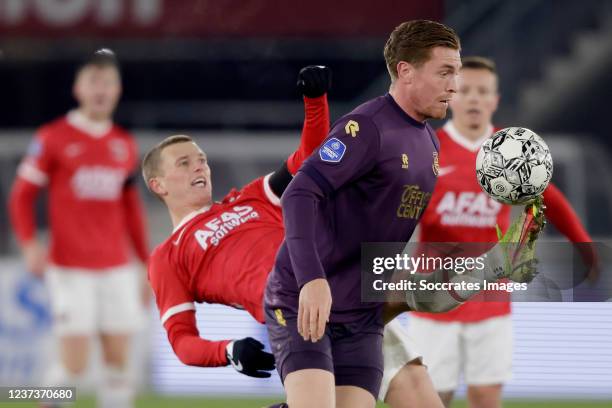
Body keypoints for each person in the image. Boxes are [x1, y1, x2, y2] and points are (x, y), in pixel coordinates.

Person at [410, 56, 596, 408]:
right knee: (434, 397)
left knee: (486, 396)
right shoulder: (426, 148)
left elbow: (548, 197)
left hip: (490, 298)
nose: (475, 99)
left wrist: (585, 247)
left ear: (495, 99)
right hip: (435, 299)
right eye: (466, 90)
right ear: (451, 95)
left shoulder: (510, 151)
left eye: (483, 91)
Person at [8, 49, 149, 408]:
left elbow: (131, 209)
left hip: (116, 267)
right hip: (69, 268)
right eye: (93, 82)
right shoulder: (53, 137)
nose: (101, 90)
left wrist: (147, 263)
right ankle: (41, 401)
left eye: (108, 83)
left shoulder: (124, 144)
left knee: (119, 366)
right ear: (78, 89)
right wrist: (28, 243)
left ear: (118, 90)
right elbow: (21, 196)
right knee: (73, 367)